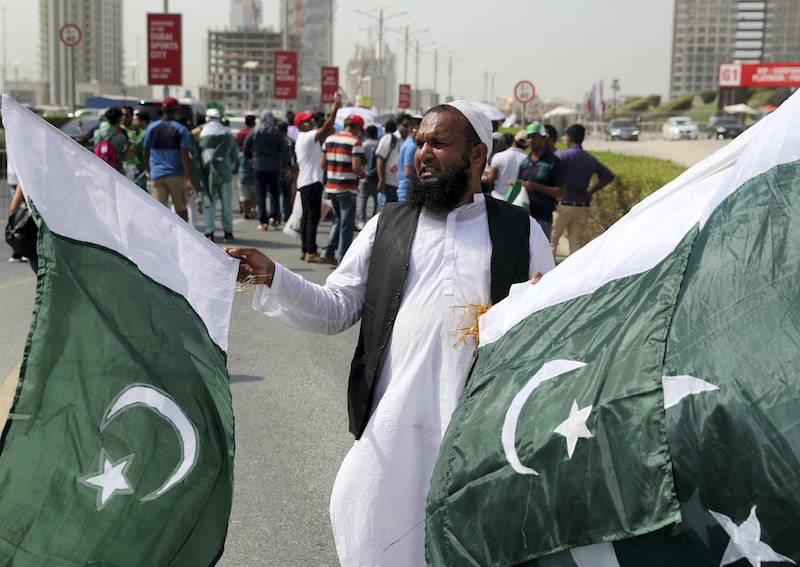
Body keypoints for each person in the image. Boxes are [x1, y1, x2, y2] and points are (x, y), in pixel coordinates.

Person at [225, 100, 554, 566]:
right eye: (420, 142)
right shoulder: (389, 225)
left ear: (477, 155)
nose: (422, 153)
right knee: (370, 525)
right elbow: (336, 305)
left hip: (476, 430)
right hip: (394, 425)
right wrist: (272, 275)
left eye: (439, 143)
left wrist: (542, 304)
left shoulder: (521, 233)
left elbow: (547, 329)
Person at [550, 123, 615, 256]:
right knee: (575, 245)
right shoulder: (590, 159)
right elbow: (608, 176)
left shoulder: (562, 157)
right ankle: (575, 275)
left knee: (552, 242)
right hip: (582, 205)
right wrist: (591, 191)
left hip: (563, 204)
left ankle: (547, 275)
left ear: (569, 138)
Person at [320, 113, 365, 265]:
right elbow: (356, 167)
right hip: (347, 187)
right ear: (357, 128)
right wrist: (363, 174)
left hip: (331, 186)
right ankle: (343, 258)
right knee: (347, 224)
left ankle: (328, 250)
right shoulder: (355, 141)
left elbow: (322, 164)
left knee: (338, 220)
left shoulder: (329, 139)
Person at [142, 97, 196, 222]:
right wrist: (188, 178)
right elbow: (184, 155)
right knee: (181, 211)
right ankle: (182, 238)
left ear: (163, 109)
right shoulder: (181, 130)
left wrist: (149, 170)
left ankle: (160, 238)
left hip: (157, 175)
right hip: (176, 175)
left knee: (159, 211)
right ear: (176, 110)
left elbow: (145, 152)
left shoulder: (151, 128)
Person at [517, 121, 566, 239]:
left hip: (543, 218)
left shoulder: (553, 162)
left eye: (534, 137)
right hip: (524, 217)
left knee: (540, 255)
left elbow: (561, 191)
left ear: (543, 138)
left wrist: (536, 187)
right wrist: (515, 185)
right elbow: (519, 185)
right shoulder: (524, 163)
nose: (531, 140)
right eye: (529, 137)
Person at [197, 108, 239, 243]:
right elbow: (234, 156)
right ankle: (228, 232)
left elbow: (197, 156)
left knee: (209, 202)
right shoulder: (228, 134)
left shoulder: (201, 133)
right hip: (225, 173)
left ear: (207, 119)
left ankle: (210, 231)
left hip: (208, 174)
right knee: (227, 204)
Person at [243, 111, 289, 231]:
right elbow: (283, 150)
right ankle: (274, 217)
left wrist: (250, 158)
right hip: (274, 165)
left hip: (258, 165)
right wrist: (286, 165)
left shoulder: (256, 131)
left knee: (260, 193)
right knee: (274, 192)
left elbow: (246, 146)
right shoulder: (277, 132)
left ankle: (263, 221)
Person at [484, 130, 527, 200]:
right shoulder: (527, 159)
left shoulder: (499, 156)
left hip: (498, 198)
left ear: (514, 141)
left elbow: (491, 179)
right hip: (517, 200)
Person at [92, 107, 129, 174]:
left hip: (100, 170)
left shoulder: (97, 133)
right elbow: (125, 157)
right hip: (116, 172)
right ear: (120, 119)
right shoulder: (121, 137)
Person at [356, 124, 379, 229]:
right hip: (376, 177)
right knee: (376, 201)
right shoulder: (379, 144)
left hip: (364, 176)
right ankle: (374, 223)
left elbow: (359, 161)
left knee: (363, 200)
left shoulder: (363, 145)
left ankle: (361, 222)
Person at [236, 114, 257, 219]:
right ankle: (253, 209)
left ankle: (245, 211)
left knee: (244, 195)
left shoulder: (240, 133)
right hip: (253, 172)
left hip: (242, 173)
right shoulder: (255, 133)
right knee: (254, 193)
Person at [395, 114, 419, 202]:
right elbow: (408, 173)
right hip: (407, 191)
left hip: (405, 190)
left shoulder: (407, 143)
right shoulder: (411, 146)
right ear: (414, 129)